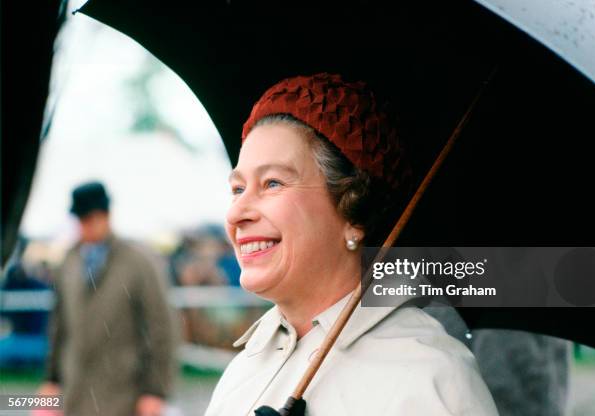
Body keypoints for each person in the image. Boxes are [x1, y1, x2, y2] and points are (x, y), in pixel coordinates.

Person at [204, 73, 498, 415]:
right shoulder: (246, 365)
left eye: (272, 183)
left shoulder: (430, 381)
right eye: (238, 189)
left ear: (353, 210)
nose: (238, 211)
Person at [39, 181, 176, 416]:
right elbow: (59, 329)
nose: (87, 226)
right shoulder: (69, 262)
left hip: (124, 393)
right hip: (75, 392)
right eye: (82, 220)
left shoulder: (138, 262)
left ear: (106, 215)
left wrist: (156, 391)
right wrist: (52, 381)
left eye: (92, 218)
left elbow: (161, 328)